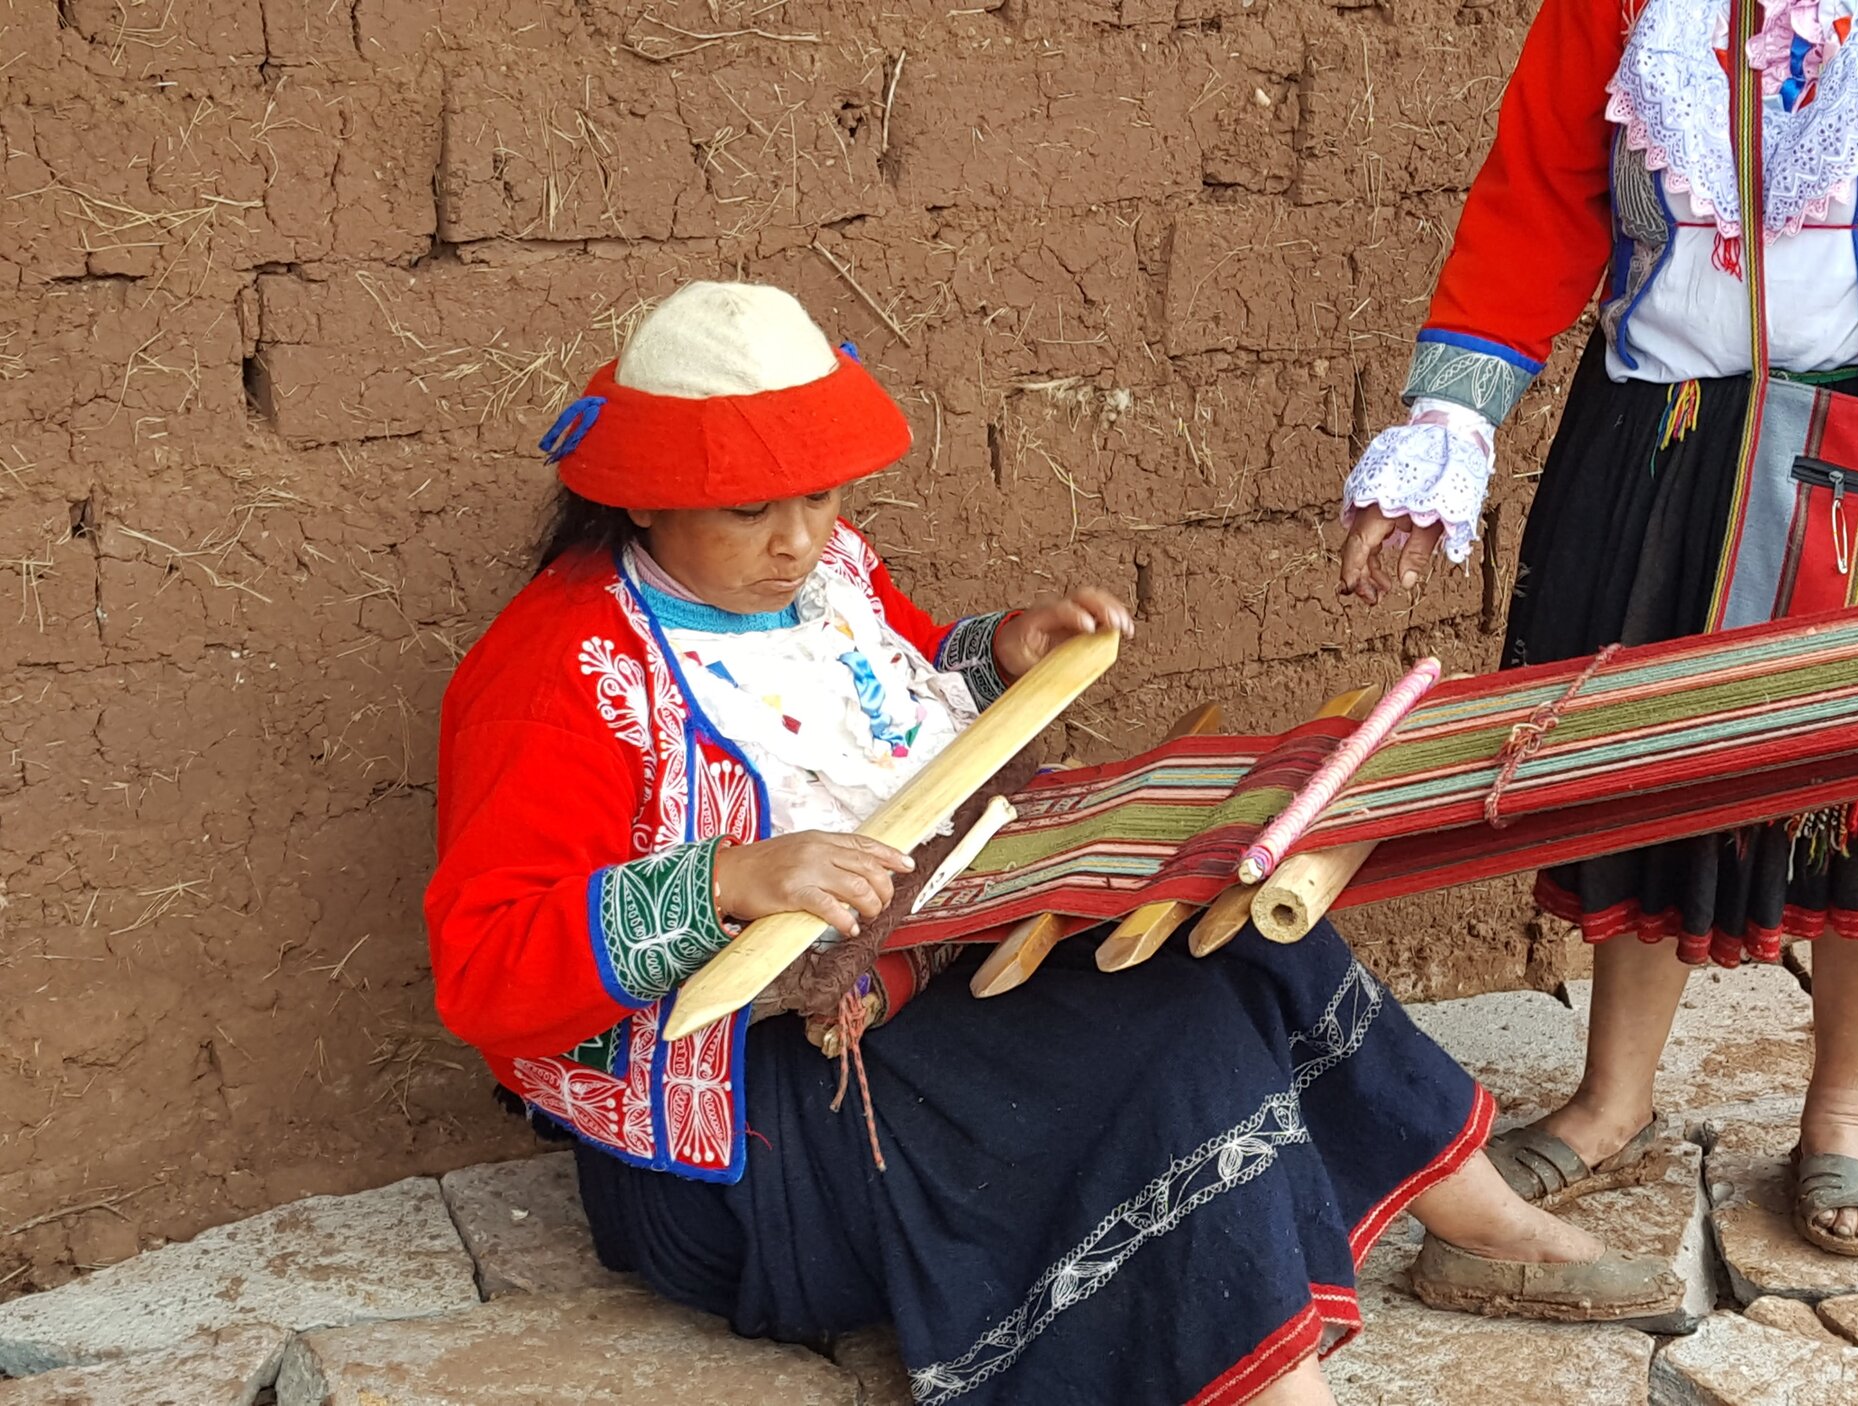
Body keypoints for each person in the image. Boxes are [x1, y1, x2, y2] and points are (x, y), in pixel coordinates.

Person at [426, 280, 1686, 1406]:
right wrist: (724, 881)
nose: (799, 538)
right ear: (645, 493)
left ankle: (1463, 1209)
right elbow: (483, 971)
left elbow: (889, 695)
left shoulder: (827, 577)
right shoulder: (559, 673)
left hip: (919, 993)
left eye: (820, 493)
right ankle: (1264, 1377)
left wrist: (998, 658)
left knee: (1232, 902)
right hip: (755, 1147)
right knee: (1170, 1035)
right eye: (751, 509)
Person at [1337, 0, 1858, 1254]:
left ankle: (1845, 1102)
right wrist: (1452, 420)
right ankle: (1613, 1094)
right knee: (1652, 761)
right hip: (1674, 432)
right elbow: (1537, 189)